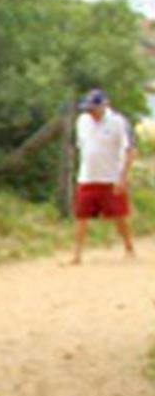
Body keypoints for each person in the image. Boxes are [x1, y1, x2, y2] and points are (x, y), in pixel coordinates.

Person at [71, 88, 135, 264]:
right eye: (88, 109)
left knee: (119, 216)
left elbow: (129, 150)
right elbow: (82, 146)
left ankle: (128, 247)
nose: (90, 112)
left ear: (104, 105)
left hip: (110, 177)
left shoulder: (118, 122)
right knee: (81, 216)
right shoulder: (82, 121)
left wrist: (122, 177)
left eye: (94, 108)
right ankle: (77, 254)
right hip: (87, 176)